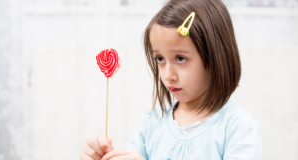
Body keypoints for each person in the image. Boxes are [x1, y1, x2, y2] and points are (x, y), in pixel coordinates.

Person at [80, 0, 262, 159]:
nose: (167, 75)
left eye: (180, 58)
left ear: (215, 57)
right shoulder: (150, 123)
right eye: (160, 58)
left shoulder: (237, 126)